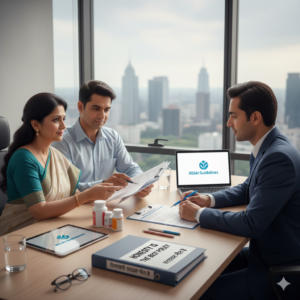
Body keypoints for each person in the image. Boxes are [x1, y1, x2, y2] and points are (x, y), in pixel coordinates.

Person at [179, 81, 300, 299]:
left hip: (277, 266)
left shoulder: (278, 157)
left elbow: (251, 223)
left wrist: (197, 214)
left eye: (234, 116)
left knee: (197, 292)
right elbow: (247, 188)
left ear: (255, 118)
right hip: (263, 252)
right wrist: (208, 200)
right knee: (195, 268)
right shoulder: (267, 147)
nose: (228, 123)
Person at [0, 93, 122, 235]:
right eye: (56, 120)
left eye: (63, 119)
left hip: (53, 228)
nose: (63, 125)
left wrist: (106, 189)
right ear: (35, 124)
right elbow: (39, 211)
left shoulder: (55, 154)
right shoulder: (24, 158)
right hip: (20, 234)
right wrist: (87, 196)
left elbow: (74, 194)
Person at [52, 80, 153, 197]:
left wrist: (139, 183)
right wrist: (104, 184)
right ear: (80, 107)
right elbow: (67, 186)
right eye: (96, 108)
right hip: (77, 208)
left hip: (108, 206)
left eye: (106, 110)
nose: (102, 116)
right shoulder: (62, 141)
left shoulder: (113, 137)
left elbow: (130, 168)